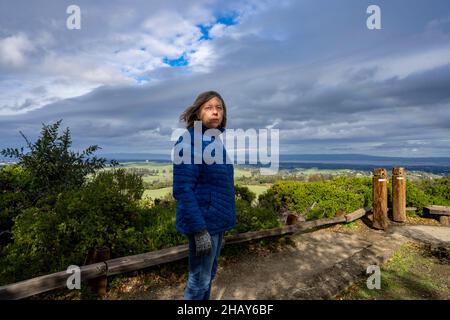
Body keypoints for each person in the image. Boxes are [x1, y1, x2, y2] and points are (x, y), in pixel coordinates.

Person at [172, 91, 236, 300]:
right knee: (199, 282)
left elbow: (218, 185)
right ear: (198, 112)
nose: (215, 112)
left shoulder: (214, 141)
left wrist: (221, 227)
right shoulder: (189, 141)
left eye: (219, 107)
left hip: (216, 223)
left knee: (209, 276)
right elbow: (182, 189)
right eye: (209, 107)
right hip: (203, 224)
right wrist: (200, 231)